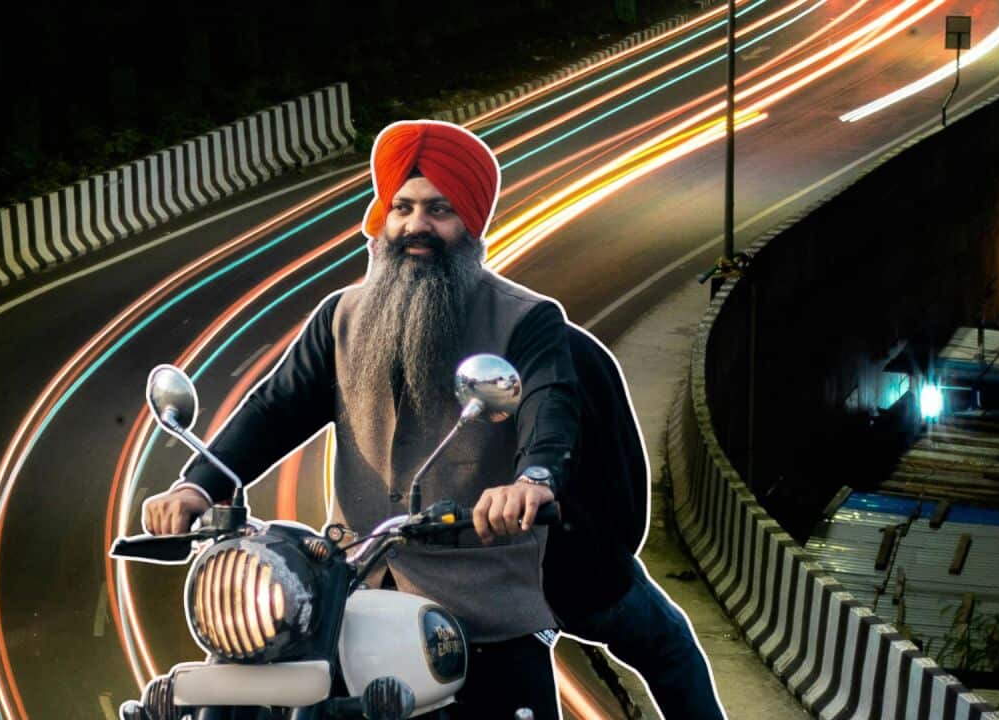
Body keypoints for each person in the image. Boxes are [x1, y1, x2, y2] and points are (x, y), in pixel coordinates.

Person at [141, 120, 578, 720]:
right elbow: (274, 409)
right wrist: (198, 484)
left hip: (481, 601)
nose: (415, 226)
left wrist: (532, 481)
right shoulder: (341, 317)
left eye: (439, 209)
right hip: (351, 592)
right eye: (401, 207)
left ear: (471, 221)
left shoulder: (525, 320)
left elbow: (548, 406)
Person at [546, 324, 726, 720]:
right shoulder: (571, 349)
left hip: (460, 573)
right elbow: (625, 471)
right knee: (672, 648)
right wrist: (614, 551)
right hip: (577, 573)